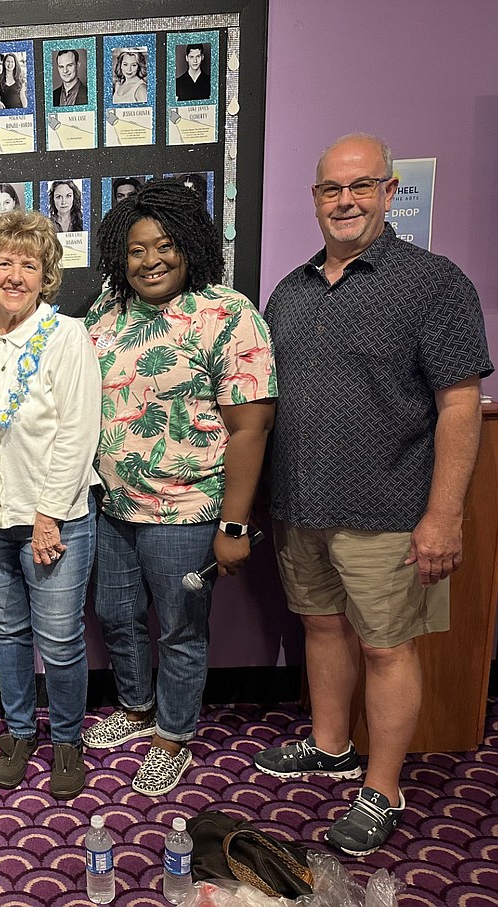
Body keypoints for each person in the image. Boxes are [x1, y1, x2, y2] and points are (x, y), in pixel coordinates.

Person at [254, 134, 492, 855]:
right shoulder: (289, 290)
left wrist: (444, 514)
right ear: (316, 198)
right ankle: (331, 745)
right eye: (332, 189)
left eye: (362, 186)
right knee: (322, 630)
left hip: (389, 511)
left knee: (388, 648)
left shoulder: (433, 283)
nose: (346, 200)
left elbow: (460, 403)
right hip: (300, 505)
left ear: (390, 193)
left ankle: (382, 787)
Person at [81, 179, 276, 796]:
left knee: (180, 628)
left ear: (189, 245)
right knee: (116, 615)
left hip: (188, 509)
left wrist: (235, 525)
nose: (151, 260)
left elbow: (252, 425)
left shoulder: (228, 313)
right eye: (136, 250)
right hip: (110, 505)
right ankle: (137, 709)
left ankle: (173, 735)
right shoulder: (105, 315)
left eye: (164, 245)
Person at [0, 210, 101, 799]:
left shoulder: (66, 338)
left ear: (45, 275)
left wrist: (47, 515)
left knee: (58, 639)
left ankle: (65, 740)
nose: (14, 275)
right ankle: (16, 731)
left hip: (52, 520)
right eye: (4, 262)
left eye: (28, 265)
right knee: (7, 632)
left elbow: (78, 434)